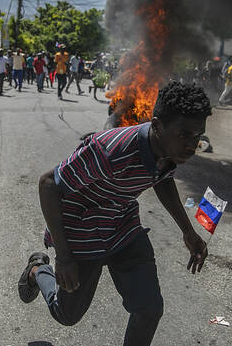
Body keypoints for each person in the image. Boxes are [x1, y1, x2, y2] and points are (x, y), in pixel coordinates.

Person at [18, 82, 212, 346]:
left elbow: (162, 179)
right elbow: (48, 184)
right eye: (184, 135)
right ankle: (37, 270)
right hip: (81, 231)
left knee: (149, 309)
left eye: (197, 136)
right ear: (157, 125)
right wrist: (63, 257)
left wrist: (188, 231)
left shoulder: (168, 152)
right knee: (67, 314)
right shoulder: (110, 151)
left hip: (122, 227)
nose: (192, 145)